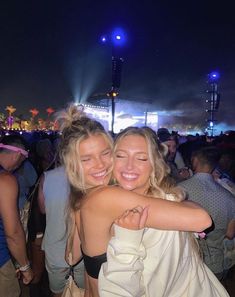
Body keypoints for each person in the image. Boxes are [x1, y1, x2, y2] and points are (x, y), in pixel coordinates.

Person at [60, 113, 212, 297]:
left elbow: (71, 256)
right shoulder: (106, 197)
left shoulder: (82, 198)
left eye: (105, 154)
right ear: (73, 164)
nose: (100, 165)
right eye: (86, 159)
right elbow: (201, 219)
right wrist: (175, 199)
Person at [179, 146, 235, 280]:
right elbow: (230, 234)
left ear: (195, 161)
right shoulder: (230, 197)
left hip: (185, 264)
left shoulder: (180, 191)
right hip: (215, 265)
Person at [37, 165, 85, 297]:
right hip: (83, 249)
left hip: (55, 249)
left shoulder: (47, 177)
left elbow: (43, 209)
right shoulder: (91, 174)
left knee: (58, 292)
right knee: (83, 291)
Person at [0, 135, 34, 297]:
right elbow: (13, 233)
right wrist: (25, 267)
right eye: (21, 161)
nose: (19, 166)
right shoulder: (5, 180)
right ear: (16, 155)